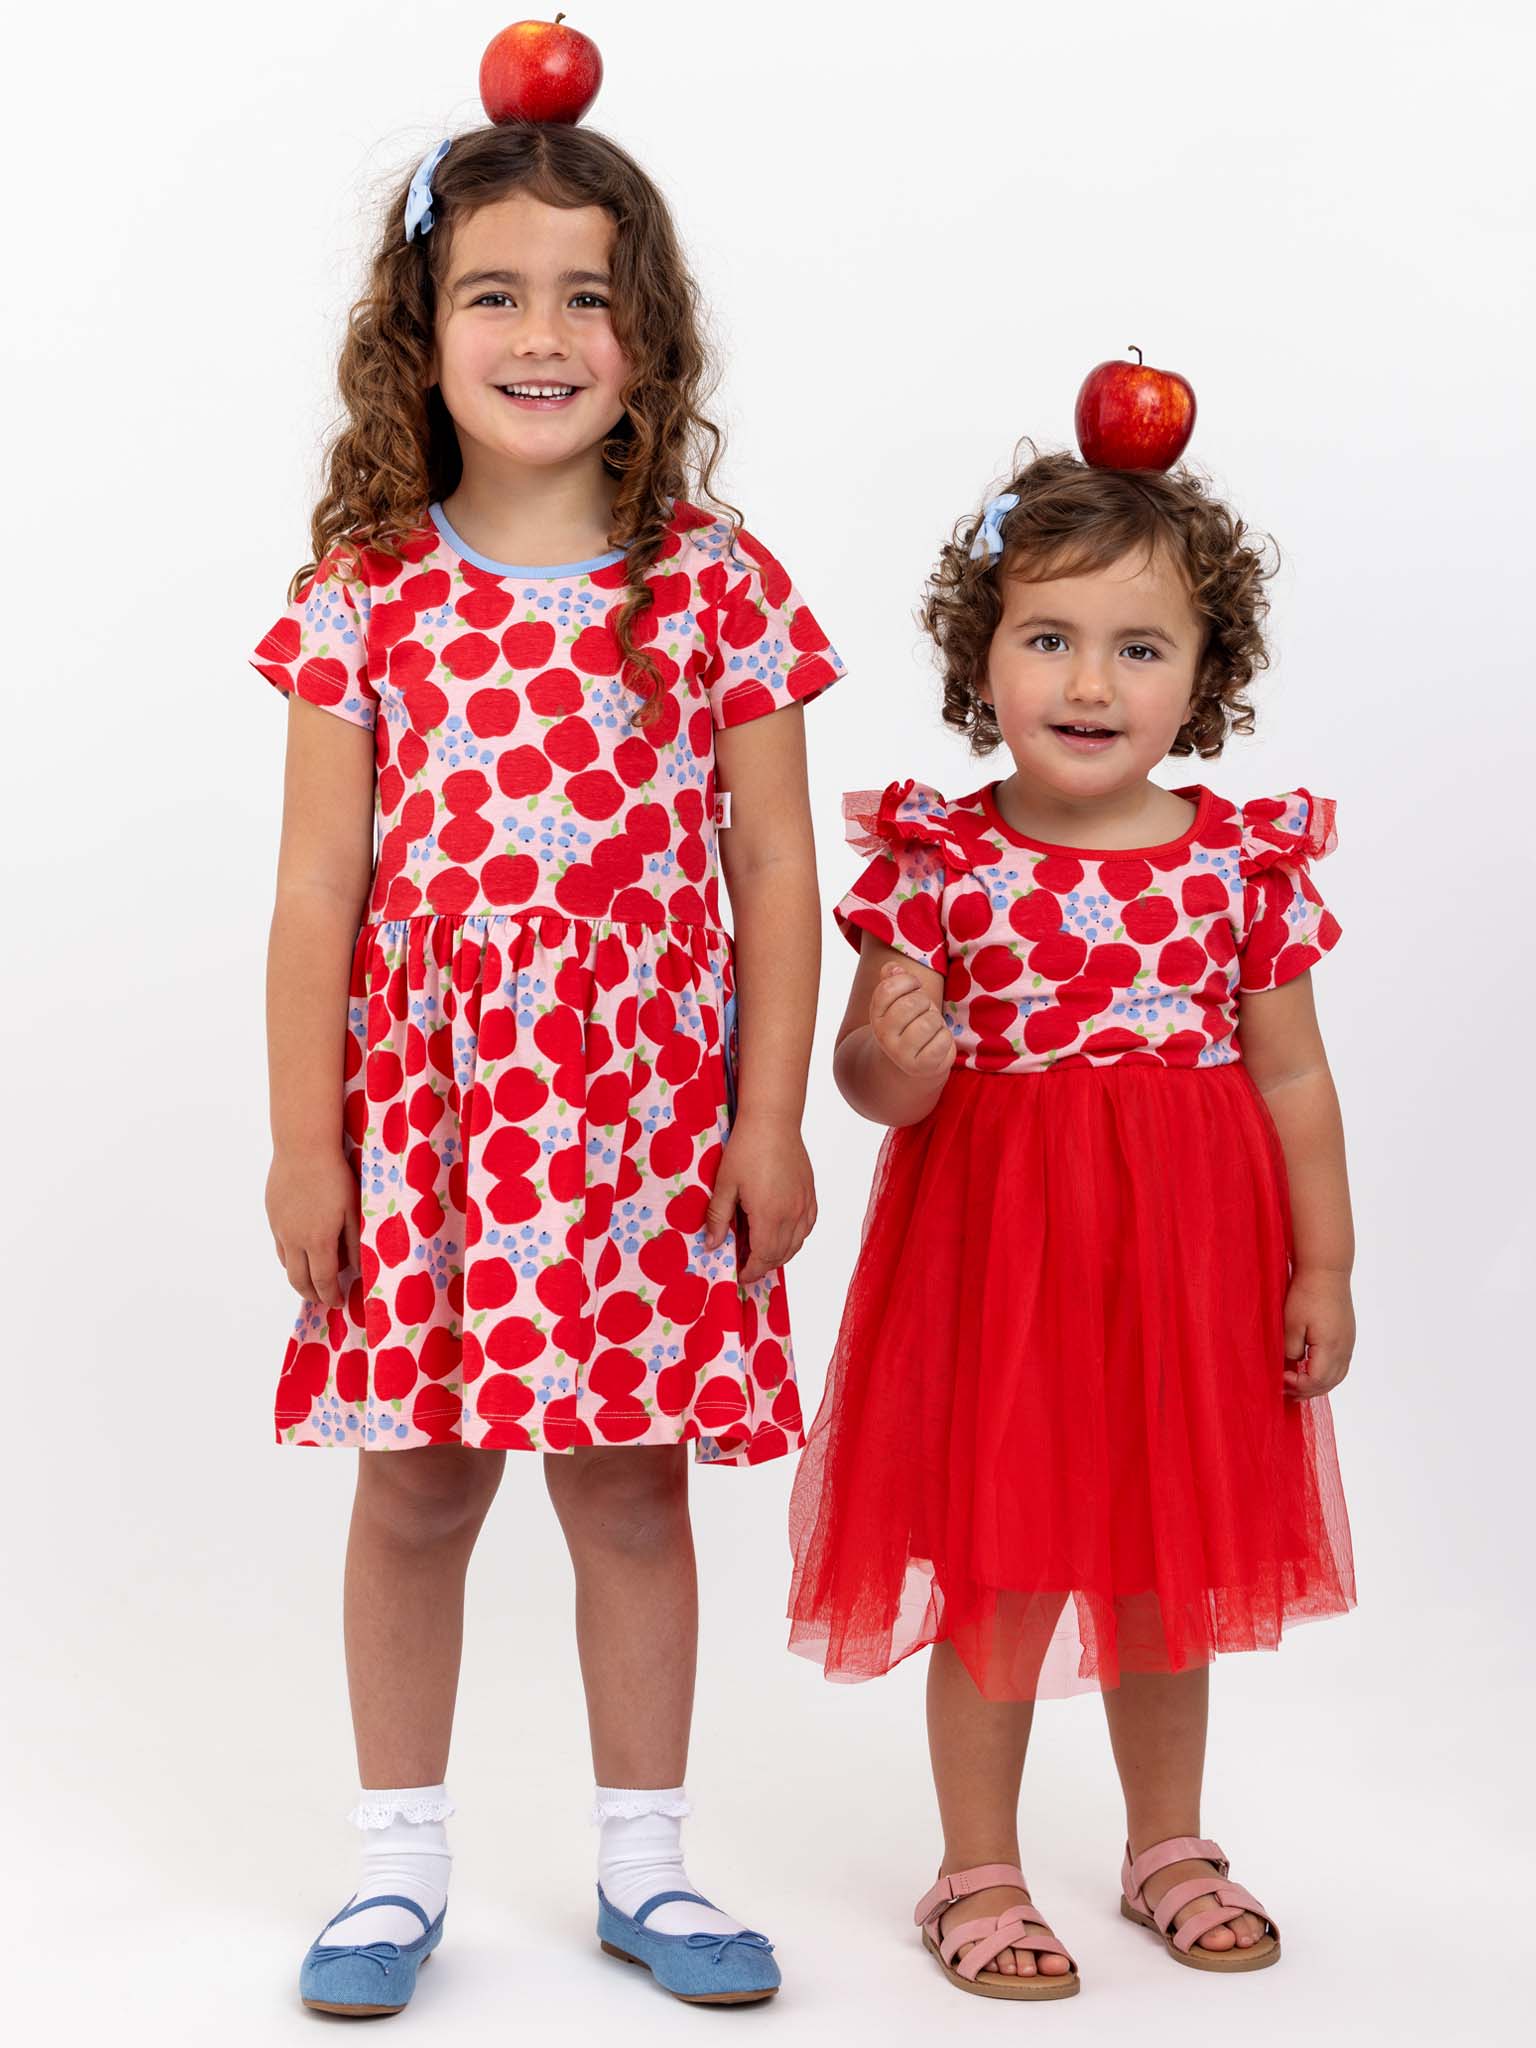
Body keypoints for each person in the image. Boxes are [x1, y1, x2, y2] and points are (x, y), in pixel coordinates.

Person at [252, 121, 843, 2014]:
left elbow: (775, 870)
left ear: (649, 341)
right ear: (419, 330)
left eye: (589, 297)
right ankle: (392, 1869)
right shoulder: (367, 591)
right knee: (415, 1487)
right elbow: (316, 894)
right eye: (493, 292)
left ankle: (647, 1867)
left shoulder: (716, 582)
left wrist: (771, 1120)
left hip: (640, 1126)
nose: (540, 332)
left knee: (628, 1488)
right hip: (424, 1130)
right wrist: (300, 1150)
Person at [787, 450, 1356, 1999]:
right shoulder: (938, 861)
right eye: (1047, 638)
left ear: (1203, 677)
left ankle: (1164, 1840)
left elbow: (1294, 1077)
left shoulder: (1245, 863)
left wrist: (1327, 1264)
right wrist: (892, 1057)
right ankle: (976, 1863)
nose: (1089, 681)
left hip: (1187, 1276)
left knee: (1170, 1568)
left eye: (1139, 646)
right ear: (982, 657)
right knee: (1003, 1564)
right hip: (1001, 1273)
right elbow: (870, 1087)